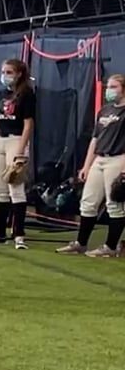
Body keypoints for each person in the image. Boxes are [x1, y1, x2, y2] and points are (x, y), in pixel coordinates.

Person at [60, 72, 125, 257]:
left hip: (118, 158)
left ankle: (110, 247)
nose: (109, 90)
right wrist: (87, 165)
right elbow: (95, 139)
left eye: (114, 87)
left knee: (115, 205)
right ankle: (80, 243)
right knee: (88, 202)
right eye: (108, 87)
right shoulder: (104, 110)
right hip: (100, 158)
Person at [0, 57, 36, 250]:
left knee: (15, 187)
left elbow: (28, 124)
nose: (5, 76)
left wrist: (20, 150)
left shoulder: (26, 94)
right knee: (0, 189)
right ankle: (0, 232)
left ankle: (19, 234)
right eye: (3, 72)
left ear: (19, 74)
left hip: (15, 140)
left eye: (9, 72)